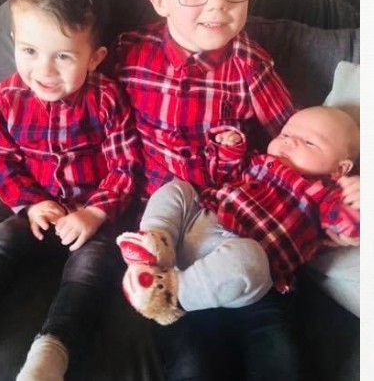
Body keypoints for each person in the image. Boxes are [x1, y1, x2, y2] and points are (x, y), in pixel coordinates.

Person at [110, 0, 360, 380]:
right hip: (171, 234)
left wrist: (343, 195)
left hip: (245, 231)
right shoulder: (129, 53)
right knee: (193, 361)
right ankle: (159, 270)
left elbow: (300, 140)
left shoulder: (250, 65)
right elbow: (91, 113)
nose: (218, 3)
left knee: (278, 351)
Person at [0, 0, 142, 381]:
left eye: (63, 56)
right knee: (0, 241)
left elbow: (126, 166)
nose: (44, 70)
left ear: (94, 57)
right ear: (14, 41)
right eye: (29, 50)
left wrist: (94, 213)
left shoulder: (107, 99)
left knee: (92, 267)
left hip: (92, 217)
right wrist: (30, 203)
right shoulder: (8, 96)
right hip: (38, 211)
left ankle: (53, 348)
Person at [117, 106, 360, 323]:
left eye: (309, 142)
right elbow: (220, 176)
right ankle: (155, 243)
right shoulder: (257, 161)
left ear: (339, 169)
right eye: (285, 134)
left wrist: (358, 203)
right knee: (178, 188)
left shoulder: (325, 197)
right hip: (196, 225)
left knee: (250, 256)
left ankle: (171, 294)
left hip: (238, 269)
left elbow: (347, 228)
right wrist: (229, 150)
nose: (289, 142)